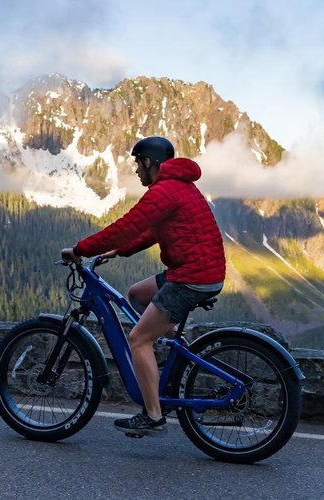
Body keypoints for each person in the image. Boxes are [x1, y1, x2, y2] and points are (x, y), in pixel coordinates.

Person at [61, 136, 226, 436]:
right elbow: (151, 230)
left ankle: (153, 416)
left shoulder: (164, 190)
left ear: (149, 162)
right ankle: (178, 354)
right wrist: (120, 250)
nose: (136, 170)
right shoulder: (179, 186)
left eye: (137, 164)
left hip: (191, 277)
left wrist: (81, 249)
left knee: (138, 339)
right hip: (198, 271)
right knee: (137, 294)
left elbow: (128, 226)